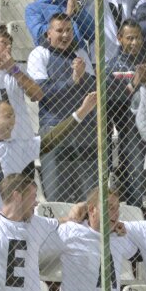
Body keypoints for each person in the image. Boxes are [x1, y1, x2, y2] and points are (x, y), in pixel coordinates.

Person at [0, 94, 97, 218]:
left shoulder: (17, 148)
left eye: (14, 117)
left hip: (8, 223)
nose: (13, 121)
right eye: (8, 116)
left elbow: (51, 139)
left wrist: (81, 113)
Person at [28, 12, 96, 202]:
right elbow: (40, 91)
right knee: (57, 195)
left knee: (89, 196)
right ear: (48, 33)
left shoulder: (80, 54)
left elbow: (93, 89)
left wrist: (81, 77)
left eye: (68, 30)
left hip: (85, 130)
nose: (65, 35)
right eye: (59, 31)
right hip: (55, 129)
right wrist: (73, 80)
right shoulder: (39, 54)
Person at [106, 20, 146, 208]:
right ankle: (134, 214)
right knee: (135, 174)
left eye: (138, 38)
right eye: (129, 38)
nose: (134, 43)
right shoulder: (112, 66)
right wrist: (134, 83)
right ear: (119, 39)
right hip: (129, 128)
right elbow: (111, 100)